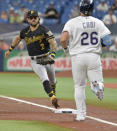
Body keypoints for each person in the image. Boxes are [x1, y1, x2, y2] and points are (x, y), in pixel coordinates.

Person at [60, 0, 111, 121]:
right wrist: (101, 45)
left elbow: (63, 39)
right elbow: (107, 41)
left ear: (80, 8)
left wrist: (66, 48)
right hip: (93, 55)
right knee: (98, 80)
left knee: (79, 86)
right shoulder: (98, 22)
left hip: (78, 57)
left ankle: (81, 115)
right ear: (92, 9)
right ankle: (97, 85)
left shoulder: (72, 22)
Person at [5, 10, 59, 109]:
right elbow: (17, 39)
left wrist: (52, 54)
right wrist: (10, 49)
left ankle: (53, 95)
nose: (33, 19)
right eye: (31, 17)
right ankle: (52, 97)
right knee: (44, 79)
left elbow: (54, 43)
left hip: (47, 57)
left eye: (35, 17)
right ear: (27, 19)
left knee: (53, 82)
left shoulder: (44, 30)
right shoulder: (25, 31)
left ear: (38, 18)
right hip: (35, 61)